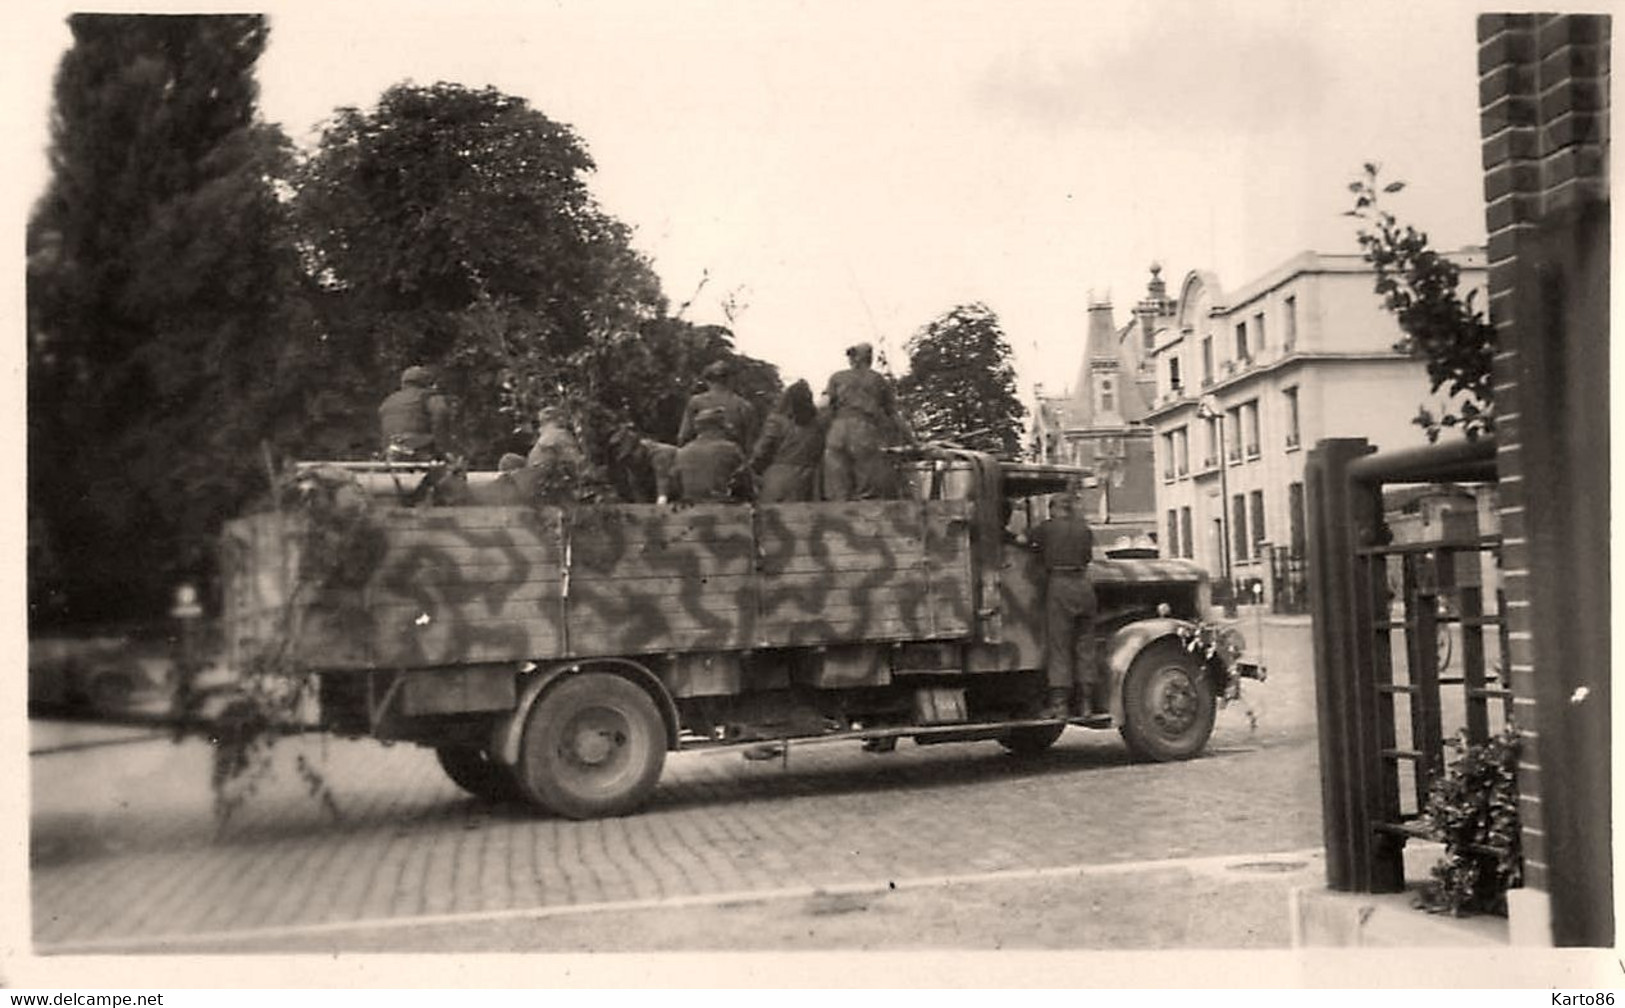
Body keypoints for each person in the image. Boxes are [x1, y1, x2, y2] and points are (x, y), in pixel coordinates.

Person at [1025, 493, 1109, 725]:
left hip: (1059, 585)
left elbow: (1027, 546)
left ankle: (1060, 705)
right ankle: (1086, 704)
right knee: (1085, 646)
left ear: (1052, 509)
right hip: (1083, 585)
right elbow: (1087, 557)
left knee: (1059, 646)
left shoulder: (1046, 529)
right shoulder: (1084, 530)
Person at [821, 342, 913, 500]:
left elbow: (823, 404)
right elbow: (893, 414)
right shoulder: (878, 379)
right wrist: (911, 438)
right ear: (869, 358)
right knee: (867, 480)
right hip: (863, 430)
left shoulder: (836, 377)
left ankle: (838, 510)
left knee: (837, 478)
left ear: (854, 359)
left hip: (837, 430)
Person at [749, 379, 824, 502]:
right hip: (811, 479)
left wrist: (750, 466)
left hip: (780, 476)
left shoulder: (776, 420)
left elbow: (762, 449)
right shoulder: (819, 423)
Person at [677, 360, 757, 450]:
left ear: (708, 380)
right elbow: (750, 443)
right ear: (731, 379)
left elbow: (684, 437)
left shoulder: (696, 402)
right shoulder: (744, 406)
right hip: (732, 458)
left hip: (699, 455)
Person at [674, 407, 749, 502]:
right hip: (722, 508)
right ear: (719, 428)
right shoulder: (731, 449)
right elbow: (747, 484)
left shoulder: (682, 452)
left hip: (690, 510)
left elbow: (675, 485)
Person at [378, 365, 453, 460]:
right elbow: (441, 415)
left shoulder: (389, 400)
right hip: (419, 446)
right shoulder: (430, 397)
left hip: (391, 448)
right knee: (451, 467)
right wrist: (444, 449)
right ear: (426, 382)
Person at [527, 406, 587, 504]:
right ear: (559, 419)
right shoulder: (560, 435)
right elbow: (576, 462)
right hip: (550, 486)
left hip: (533, 485)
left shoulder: (543, 437)